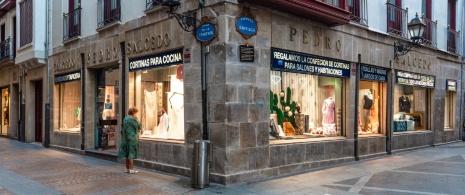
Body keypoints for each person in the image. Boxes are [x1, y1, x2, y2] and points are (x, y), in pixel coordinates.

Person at [118, 107, 142, 174]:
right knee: (131, 153)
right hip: (132, 138)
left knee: (127, 153)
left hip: (126, 138)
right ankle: (131, 169)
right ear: (134, 113)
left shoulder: (125, 118)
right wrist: (137, 120)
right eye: (136, 113)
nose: (136, 114)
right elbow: (139, 126)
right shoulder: (133, 119)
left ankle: (127, 168)